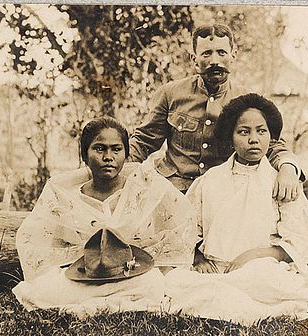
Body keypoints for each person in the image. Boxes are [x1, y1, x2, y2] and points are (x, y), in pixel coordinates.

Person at [163, 94, 308, 325]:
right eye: (244, 132)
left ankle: (229, 299)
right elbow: (185, 232)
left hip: (262, 268)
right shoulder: (210, 181)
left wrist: (256, 255)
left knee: (263, 280)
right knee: (173, 280)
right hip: (215, 267)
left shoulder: (281, 181)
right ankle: (227, 295)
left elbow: (300, 242)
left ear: (271, 136)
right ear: (230, 138)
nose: (253, 139)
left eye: (261, 131)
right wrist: (198, 258)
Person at [13, 117, 197, 316]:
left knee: (153, 283)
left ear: (126, 155)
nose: (108, 157)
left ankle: (101, 302)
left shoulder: (143, 189)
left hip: (133, 276)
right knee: (41, 290)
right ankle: (113, 302)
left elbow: (181, 221)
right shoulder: (68, 198)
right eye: (99, 149)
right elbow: (40, 242)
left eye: (116, 149)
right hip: (84, 278)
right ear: (85, 155)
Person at [129, 23, 302, 198]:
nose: (214, 61)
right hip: (174, 191)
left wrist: (288, 168)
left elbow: (272, 143)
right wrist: (116, 171)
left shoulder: (246, 100)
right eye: (206, 53)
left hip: (223, 193)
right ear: (194, 59)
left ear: (233, 55)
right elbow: (144, 142)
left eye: (221, 52)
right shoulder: (170, 93)